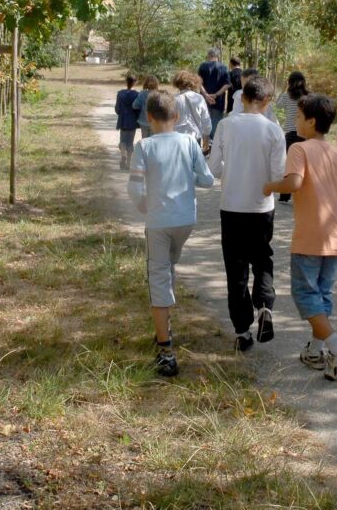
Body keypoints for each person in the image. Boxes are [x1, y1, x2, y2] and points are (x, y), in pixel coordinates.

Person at [263, 94, 337, 381]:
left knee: (305, 294)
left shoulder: (300, 149)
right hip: (335, 235)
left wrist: (270, 186)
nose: (296, 122)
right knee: (322, 294)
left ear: (311, 121)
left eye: (298, 117)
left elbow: (293, 183)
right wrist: (334, 206)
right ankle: (315, 350)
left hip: (310, 236)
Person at [128, 91, 214, 376]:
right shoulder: (189, 142)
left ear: (149, 118)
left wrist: (143, 205)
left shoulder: (144, 147)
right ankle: (164, 324)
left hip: (159, 221)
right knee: (168, 268)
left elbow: (135, 187)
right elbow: (206, 180)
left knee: (158, 276)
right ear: (176, 117)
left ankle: (165, 349)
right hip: (185, 221)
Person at [209, 77, 286, 352]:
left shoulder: (226, 126)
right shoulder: (273, 130)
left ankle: (242, 331)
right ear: (267, 102)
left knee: (235, 269)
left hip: (231, 206)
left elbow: (215, 169)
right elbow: (278, 175)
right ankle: (265, 306)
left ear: (242, 99)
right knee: (263, 259)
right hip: (261, 207)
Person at [276, 71, 309, 202]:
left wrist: (283, 88)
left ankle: (285, 195)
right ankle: (303, 193)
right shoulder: (309, 96)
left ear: (289, 82)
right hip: (306, 133)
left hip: (290, 133)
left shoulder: (286, 95)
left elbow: (277, 104)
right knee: (305, 164)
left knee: (289, 164)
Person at [172, 70, 211, 152]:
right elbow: (206, 120)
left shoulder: (173, 99)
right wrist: (206, 138)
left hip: (176, 138)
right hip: (194, 137)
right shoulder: (199, 98)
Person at [198, 47, 231, 139]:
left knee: (204, 122)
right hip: (218, 100)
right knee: (216, 124)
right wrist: (216, 94)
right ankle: (213, 146)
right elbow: (227, 84)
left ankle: (204, 145)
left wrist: (206, 95)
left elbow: (199, 83)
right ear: (218, 56)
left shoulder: (202, 66)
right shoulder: (223, 67)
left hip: (204, 100)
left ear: (208, 55)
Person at [114, 74, 140, 170]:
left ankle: (122, 155)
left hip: (123, 120)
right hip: (132, 120)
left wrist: (120, 113)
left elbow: (117, 109)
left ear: (126, 82)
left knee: (123, 140)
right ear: (135, 82)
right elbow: (138, 109)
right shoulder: (137, 94)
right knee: (130, 141)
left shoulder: (120, 93)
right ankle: (129, 162)